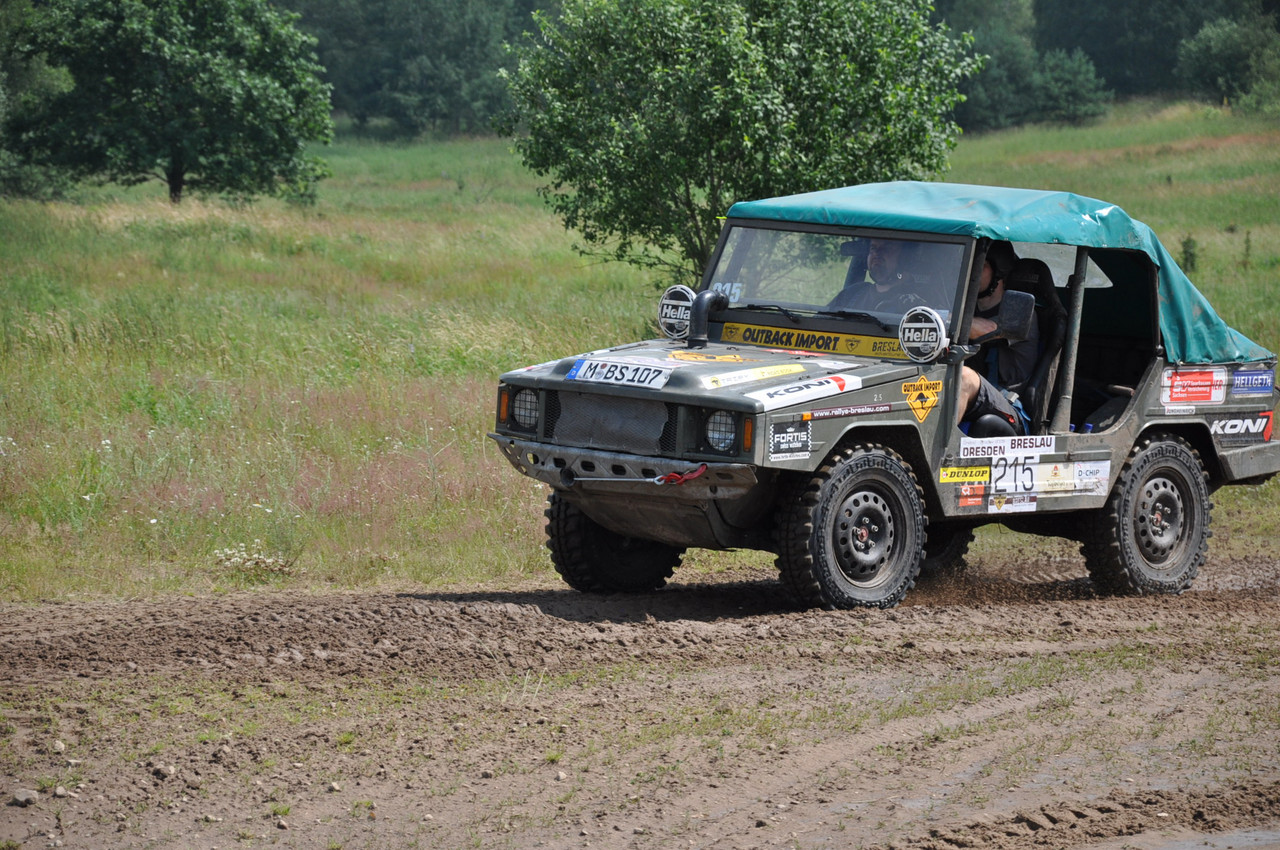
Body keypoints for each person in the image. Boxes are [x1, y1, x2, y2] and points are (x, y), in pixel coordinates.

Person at [957, 241, 1039, 433]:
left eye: (982, 265)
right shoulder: (967, 310)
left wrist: (936, 320)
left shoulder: (1021, 313)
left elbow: (984, 329)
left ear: (999, 273)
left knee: (964, 377)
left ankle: (940, 449)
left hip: (1009, 406)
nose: (972, 271)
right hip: (979, 400)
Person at [828, 238, 925, 313]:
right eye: (873, 248)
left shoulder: (919, 302)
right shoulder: (851, 294)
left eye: (887, 248)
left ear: (906, 257)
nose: (876, 253)